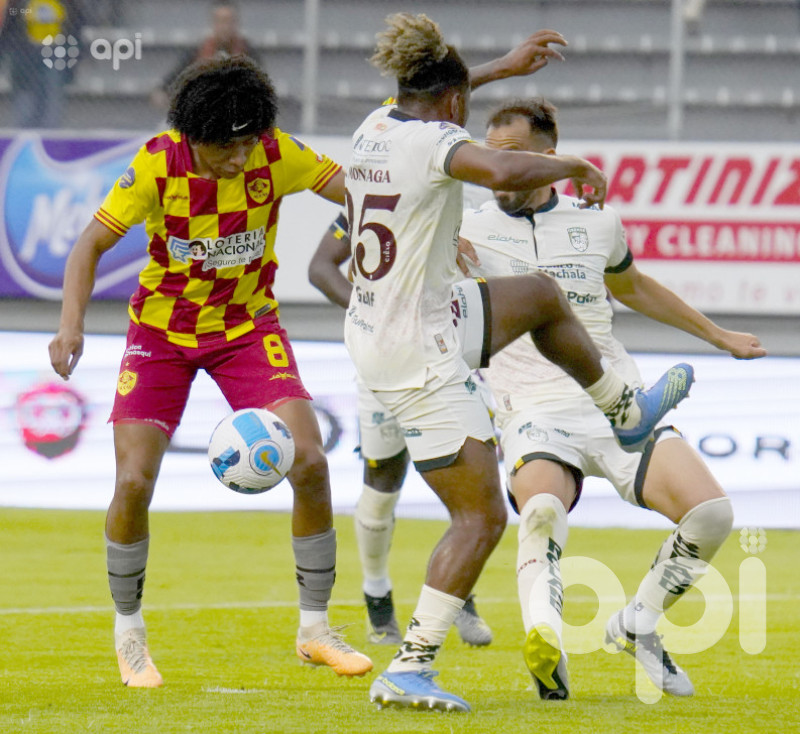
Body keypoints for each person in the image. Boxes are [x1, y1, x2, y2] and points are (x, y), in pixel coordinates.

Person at [342, 13, 694, 712]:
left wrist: (501, 67)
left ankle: (624, 410)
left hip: (386, 330)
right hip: (423, 351)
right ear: (452, 107)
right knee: (480, 520)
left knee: (538, 295)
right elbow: (500, 166)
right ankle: (411, 664)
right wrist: (575, 164)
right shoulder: (438, 140)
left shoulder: (375, 125)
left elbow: (440, 93)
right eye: (464, 105)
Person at [48, 55, 374, 688]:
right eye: (225, 147)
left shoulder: (275, 152)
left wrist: (395, 235)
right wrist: (71, 324)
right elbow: (89, 243)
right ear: (192, 136)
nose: (238, 158)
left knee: (309, 460)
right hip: (161, 334)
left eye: (248, 143)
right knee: (136, 481)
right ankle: (130, 635)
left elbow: (365, 194)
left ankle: (315, 630)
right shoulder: (154, 164)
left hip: (246, 328)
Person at [456, 97, 766, 700]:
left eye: (513, 156)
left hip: (618, 402)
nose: (500, 169)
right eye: (492, 154)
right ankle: (544, 644)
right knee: (543, 511)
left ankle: (636, 623)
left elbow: (637, 287)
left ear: (548, 161)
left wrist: (719, 335)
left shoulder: (598, 223)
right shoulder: (464, 226)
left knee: (712, 516)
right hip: (533, 407)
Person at [310, 212, 495, 649]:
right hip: (386, 361)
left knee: (466, 483)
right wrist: (370, 319)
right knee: (381, 485)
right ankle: (377, 596)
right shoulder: (375, 196)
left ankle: (459, 595)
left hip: (449, 360)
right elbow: (320, 267)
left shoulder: (482, 197)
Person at [150, 0, 260, 110]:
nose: (225, 27)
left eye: (229, 21)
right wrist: (162, 93)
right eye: (220, 21)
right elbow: (170, 82)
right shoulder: (198, 51)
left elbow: (261, 88)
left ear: (236, 24)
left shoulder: (248, 52)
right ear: (213, 23)